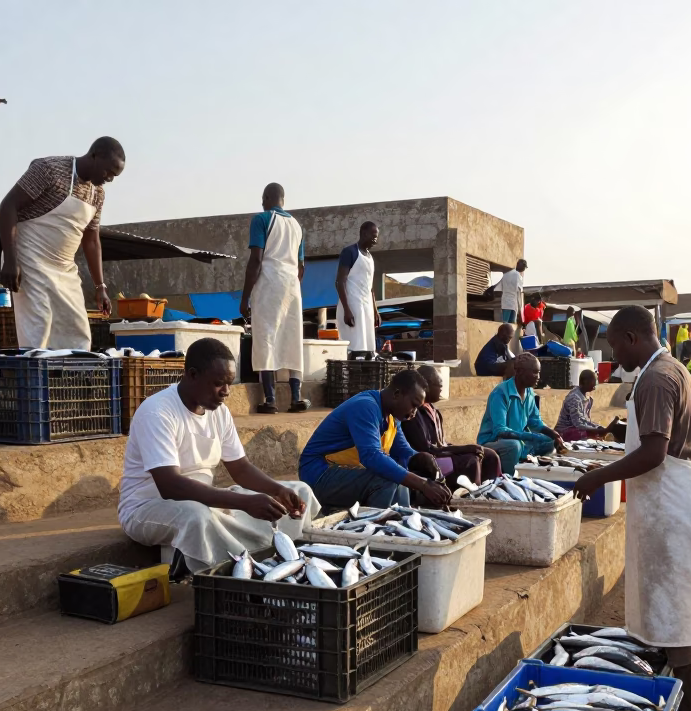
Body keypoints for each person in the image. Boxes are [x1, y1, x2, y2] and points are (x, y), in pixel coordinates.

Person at [572, 305, 691, 711]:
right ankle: (690, 708)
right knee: (688, 608)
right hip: (676, 496)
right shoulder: (671, 369)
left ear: (632, 337)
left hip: (669, 500)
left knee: (675, 617)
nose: (613, 355)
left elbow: (653, 453)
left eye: (614, 344)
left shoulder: (655, 378)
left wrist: (599, 477)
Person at [118, 338, 319, 580]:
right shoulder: (157, 412)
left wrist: (276, 490)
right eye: (218, 384)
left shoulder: (219, 412)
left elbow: (241, 468)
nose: (226, 392)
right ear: (192, 375)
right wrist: (244, 503)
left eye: (229, 384)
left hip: (203, 498)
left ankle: (280, 563)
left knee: (299, 489)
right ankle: (233, 573)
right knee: (197, 516)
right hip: (148, 508)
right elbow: (170, 485)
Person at [0, 137, 124, 350]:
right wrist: (11, 261)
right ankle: (34, 380)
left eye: (115, 175)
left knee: (76, 329)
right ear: (94, 155)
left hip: (64, 268)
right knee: (39, 324)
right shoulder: (49, 170)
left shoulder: (98, 194)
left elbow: (92, 240)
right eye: (108, 172)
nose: (110, 179)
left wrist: (100, 287)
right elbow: (7, 206)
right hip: (30, 258)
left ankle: (69, 382)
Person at [299, 369, 451, 509]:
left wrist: (421, 459)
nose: (414, 413)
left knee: (404, 473)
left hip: (346, 472)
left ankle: (401, 518)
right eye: (413, 405)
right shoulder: (365, 407)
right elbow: (371, 456)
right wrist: (423, 484)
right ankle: (377, 527)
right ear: (397, 394)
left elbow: (403, 451)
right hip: (319, 476)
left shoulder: (392, 416)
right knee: (387, 479)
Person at [240, 183, 308, 415]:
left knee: (265, 336)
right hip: (292, 286)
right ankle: (296, 397)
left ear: (268, 197)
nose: (261, 202)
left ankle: (270, 399)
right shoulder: (297, 226)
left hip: (270, 282)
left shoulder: (261, 219)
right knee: (292, 337)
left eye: (262, 198)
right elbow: (301, 268)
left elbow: (256, 260)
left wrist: (244, 297)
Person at [401, 365, 502, 489]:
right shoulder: (414, 413)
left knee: (490, 455)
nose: (441, 390)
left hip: (440, 453)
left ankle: (490, 489)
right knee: (470, 460)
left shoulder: (434, 411)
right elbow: (427, 450)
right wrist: (464, 449)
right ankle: (469, 496)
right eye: (439, 386)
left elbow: (442, 444)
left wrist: (466, 448)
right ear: (426, 385)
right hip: (428, 460)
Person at [477, 353, 564, 474]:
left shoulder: (529, 393)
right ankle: (509, 478)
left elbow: (535, 422)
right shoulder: (500, 393)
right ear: (520, 372)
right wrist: (532, 436)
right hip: (493, 443)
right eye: (534, 372)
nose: (538, 376)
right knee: (514, 446)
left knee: (550, 441)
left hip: (518, 439)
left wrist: (552, 433)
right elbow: (500, 431)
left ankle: (528, 465)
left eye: (538, 372)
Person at [334, 222, 381, 354]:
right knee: (354, 349)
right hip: (353, 307)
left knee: (368, 349)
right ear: (364, 233)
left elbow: (370, 287)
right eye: (373, 236)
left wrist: (375, 311)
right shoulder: (349, 252)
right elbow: (339, 282)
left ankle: (365, 374)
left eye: (376, 237)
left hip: (367, 308)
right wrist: (346, 310)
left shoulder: (370, 257)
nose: (375, 240)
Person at [555, 369, 620, 441]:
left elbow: (585, 421)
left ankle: (602, 434)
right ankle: (602, 435)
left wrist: (598, 427)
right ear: (585, 382)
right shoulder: (574, 398)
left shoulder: (586, 397)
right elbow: (578, 423)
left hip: (575, 428)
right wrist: (598, 430)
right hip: (563, 431)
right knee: (586, 433)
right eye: (593, 381)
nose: (595, 384)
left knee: (594, 431)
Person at [497, 259, 526, 324]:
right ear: (523, 267)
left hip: (505, 302)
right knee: (512, 324)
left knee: (505, 322)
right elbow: (519, 290)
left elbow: (500, 288)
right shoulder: (518, 275)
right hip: (513, 303)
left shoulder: (506, 274)